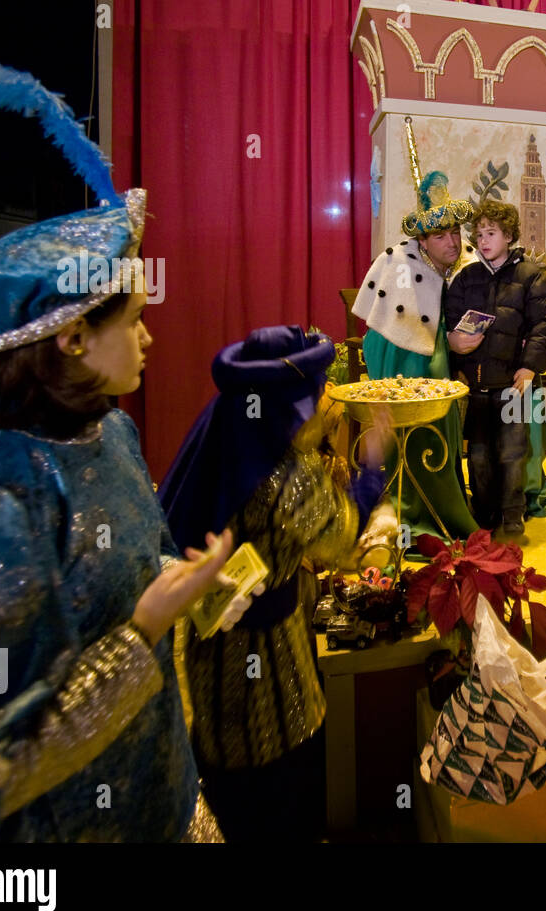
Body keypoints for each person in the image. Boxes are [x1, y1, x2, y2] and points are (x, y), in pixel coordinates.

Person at [0, 50, 252, 842]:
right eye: (132, 321)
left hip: (167, 790)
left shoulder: (114, 427)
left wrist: (192, 583)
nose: (151, 337)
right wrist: (143, 635)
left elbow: (136, 568)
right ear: (70, 338)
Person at [158, 326, 391, 841]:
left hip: (208, 640)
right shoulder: (290, 471)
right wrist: (372, 471)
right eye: (318, 387)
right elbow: (339, 540)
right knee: (279, 785)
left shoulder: (222, 425)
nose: (324, 396)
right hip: (270, 660)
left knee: (227, 769)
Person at [353, 169, 479, 542]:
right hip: (401, 358)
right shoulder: (398, 264)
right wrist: (443, 346)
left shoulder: (465, 261)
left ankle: (444, 503)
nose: (453, 241)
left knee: (443, 424)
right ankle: (409, 511)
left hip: (442, 359)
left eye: (456, 232)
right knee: (415, 424)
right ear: (423, 240)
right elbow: (401, 332)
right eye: (441, 235)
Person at [445, 200, 546, 536]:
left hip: (513, 387)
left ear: (508, 235)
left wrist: (529, 369)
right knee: (479, 455)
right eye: (479, 234)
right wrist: (457, 361)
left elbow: (545, 325)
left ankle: (512, 514)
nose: (483, 240)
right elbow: (451, 324)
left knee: (512, 453)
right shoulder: (466, 278)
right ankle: (483, 513)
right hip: (478, 386)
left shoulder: (530, 277)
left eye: (491, 233)